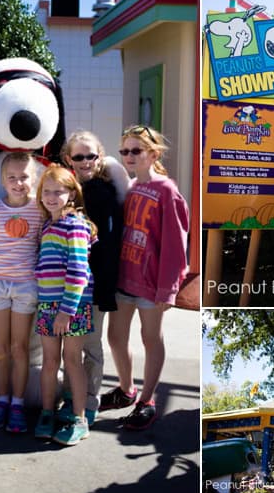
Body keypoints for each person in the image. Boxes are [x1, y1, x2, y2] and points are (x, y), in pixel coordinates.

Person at [101, 125, 189, 430]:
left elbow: (177, 244)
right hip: (124, 277)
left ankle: (147, 399)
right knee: (115, 337)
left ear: (153, 154)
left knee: (150, 338)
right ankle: (126, 389)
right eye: (124, 151)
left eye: (135, 150)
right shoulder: (129, 188)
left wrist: (169, 289)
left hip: (152, 284)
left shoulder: (166, 190)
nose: (128, 156)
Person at [55, 130, 125, 427]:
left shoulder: (103, 192)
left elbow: (108, 244)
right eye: (79, 156)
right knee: (71, 345)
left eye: (91, 156)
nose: (85, 162)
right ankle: (73, 396)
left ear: (100, 156)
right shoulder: (65, 190)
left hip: (95, 282)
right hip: (69, 283)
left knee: (90, 345)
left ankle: (89, 400)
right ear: (68, 158)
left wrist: (105, 286)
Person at [0, 152, 43, 433]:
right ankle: (1, 401)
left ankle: (17, 403)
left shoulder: (39, 210)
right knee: (0, 349)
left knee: (19, 348)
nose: (18, 183)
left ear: (34, 179)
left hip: (26, 287)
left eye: (24, 177)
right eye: (12, 178)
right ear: (2, 180)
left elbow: (42, 247)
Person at [33, 164, 96, 446]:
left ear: (71, 194)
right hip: (47, 305)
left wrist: (66, 311)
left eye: (58, 192)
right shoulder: (48, 224)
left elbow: (79, 272)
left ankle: (79, 419)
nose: (51, 196)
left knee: (72, 361)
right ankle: (47, 413)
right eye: (47, 191)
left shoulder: (76, 225)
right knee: (49, 362)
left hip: (73, 307)